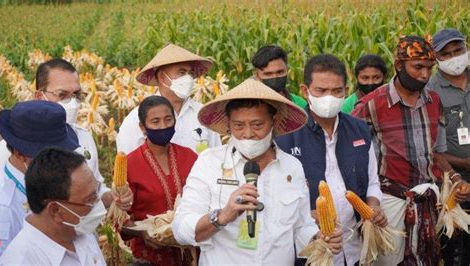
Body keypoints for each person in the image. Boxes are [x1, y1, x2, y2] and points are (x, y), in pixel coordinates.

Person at [173, 79, 343, 266]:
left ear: (274, 122)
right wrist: (221, 216)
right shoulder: (209, 163)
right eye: (238, 126)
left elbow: (301, 227)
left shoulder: (291, 167)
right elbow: (181, 229)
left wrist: (318, 238)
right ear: (228, 125)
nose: (248, 134)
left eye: (257, 125)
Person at [276, 54, 386, 265]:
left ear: (346, 90)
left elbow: (372, 181)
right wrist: (307, 216)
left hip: (355, 248)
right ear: (305, 91)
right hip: (312, 250)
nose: (329, 97)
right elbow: (278, 199)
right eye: (321, 91)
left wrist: (373, 207)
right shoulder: (286, 136)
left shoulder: (359, 129)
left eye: (337, 91)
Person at [352, 35, 448, 265]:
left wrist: (451, 178)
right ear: (398, 65)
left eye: (429, 68)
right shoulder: (371, 105)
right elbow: (352, 155)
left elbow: (438, 152)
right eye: (418, 67)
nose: (425, 75)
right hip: (388, 203)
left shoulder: (434, 101)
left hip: (427, 199)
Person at [0, 58, 133, 211]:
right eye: (62, 95)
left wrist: (112, 197)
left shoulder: (83, 137)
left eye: (76, 94)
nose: (72, 102)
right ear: (39, 96)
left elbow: (96, 190)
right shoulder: (9, 149)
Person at [0, 101, 81, 259]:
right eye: (47, 154)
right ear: (19, 152)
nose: (57, 160)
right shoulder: (2, 205)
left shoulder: (48, 179)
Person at [122, 96, 198, 265]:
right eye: (155, 121)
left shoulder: (191, 157)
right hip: (150, 257)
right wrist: (143, 232)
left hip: (191, 254)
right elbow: (120, 219)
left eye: (168, 119)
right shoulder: (129, 164)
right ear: (143, 127)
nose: (163, 126)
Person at [0, 148, 106, 265]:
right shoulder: (22, 261)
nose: (97, 203)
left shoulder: (79, 230)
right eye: (90, 200)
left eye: (97, 191)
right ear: (55, 211)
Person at [117, 44, 221, 155]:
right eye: (182, 72)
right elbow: (130, 164)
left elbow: (217, 157)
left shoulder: (204, 114)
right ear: (162, 77)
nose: (188, 78)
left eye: (190, 73)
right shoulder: (135, 120)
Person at [426, 28, 470, 266]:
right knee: (457, 251)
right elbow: (430, 148)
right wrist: (460, 167)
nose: (455, 57)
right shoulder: (431, 91)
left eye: (458, 50)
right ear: (436, 58)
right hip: (453, 185)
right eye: (446, 53)